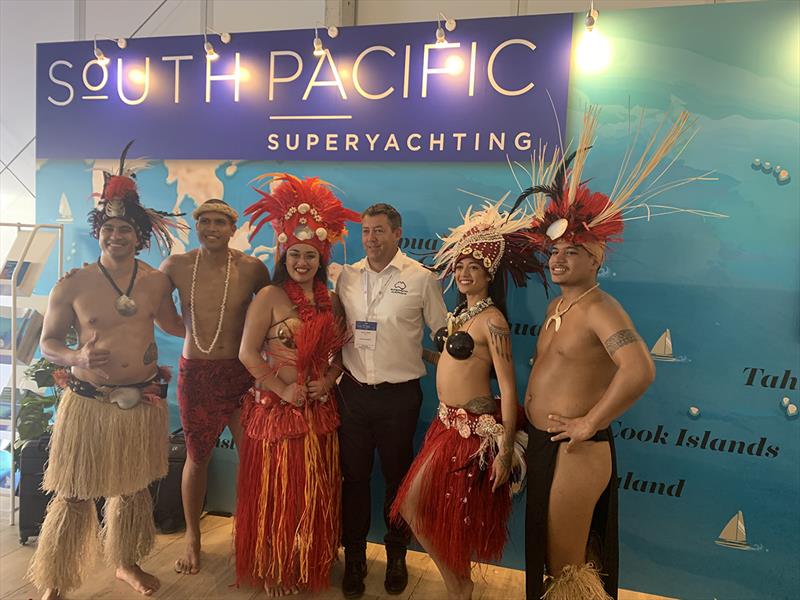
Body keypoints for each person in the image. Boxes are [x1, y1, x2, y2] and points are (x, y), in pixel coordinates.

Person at [520, 108, 715, 599]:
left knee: (568, 569)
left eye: (572, 252)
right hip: (547, 445)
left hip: (577, 450)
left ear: (596, 258)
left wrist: (588, 424)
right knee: (551, 556)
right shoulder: (558, 304)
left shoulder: (602, 308)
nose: (558, 259)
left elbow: (639, 368)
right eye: (554, 253)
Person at [27, 142, 185, 600]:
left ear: (140, 236)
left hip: (140, 400)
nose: (118, 235)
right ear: (100, 231)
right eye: (110, 227)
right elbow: (48, 343)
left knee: (133, 488)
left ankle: (126, 563)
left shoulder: (155, 281)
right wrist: (75, 358)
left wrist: (212, 313)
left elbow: (176, 324)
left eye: (127, 229)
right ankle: (55, 579)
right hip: (89, 402)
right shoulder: (73, 283)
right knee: (74, 491)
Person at [390, 199, 546, 599]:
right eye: (459, 266)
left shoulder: (493, 320)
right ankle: (458, 583)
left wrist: (507, 448)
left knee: (429, 512)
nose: (463, 272)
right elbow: (450, 362)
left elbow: (508, 388)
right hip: (445, 427)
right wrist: (411, 352)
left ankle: (458, 585)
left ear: (488, 272)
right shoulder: (461, 315)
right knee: (422, 511)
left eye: (473, 266)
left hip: (471, 434)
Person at [234, 173, 360, 596]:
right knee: (279, 492)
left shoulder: (331, 298)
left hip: (318, 409)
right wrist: (281, 388)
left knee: (316, 489)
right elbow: (248, 354)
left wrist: (327, 379)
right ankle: (276, 563)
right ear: (284, 255)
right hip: (278, 409)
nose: (302, 262)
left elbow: (340, 354)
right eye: (295, 255)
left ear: (320, 259)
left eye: (310, 256)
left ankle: (314, 554)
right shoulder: (269, 297)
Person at [335, 203, 448, 598]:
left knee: (398, 480)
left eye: (379, 231)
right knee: (354, 479)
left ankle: (398, 554)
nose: (371, 238)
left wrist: (473, 349)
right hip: (351, 393)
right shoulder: (345, 276)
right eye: (365, 231)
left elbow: (443, 331)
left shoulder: (421, 279)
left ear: (398, 234)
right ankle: (354, 556)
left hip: (399, 397)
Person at [160, 198, 270, 575]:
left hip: (240, 374)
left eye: (219, 222)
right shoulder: (176, 266)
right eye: (204, 221)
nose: (211, 228)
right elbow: (162, 314)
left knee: (251, 458)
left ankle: (248, 534)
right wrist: (195, 336)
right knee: (197, 456)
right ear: (196, 225)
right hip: (196, 376)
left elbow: (271, 313)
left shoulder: (253, 269)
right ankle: (193, 537)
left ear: (232, 228)